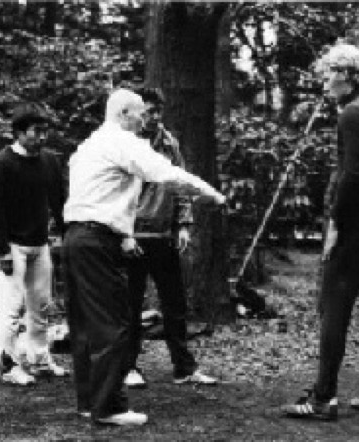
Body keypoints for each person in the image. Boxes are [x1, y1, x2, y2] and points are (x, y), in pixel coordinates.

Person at [62, 88, 226, 426]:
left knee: (85, 325)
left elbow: (96, 194)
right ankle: (109, 407)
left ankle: (89, 401)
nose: (145, 119)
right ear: (123, 113)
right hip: (96, 240)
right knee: (112, 322)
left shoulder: (90, 144)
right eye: (139, 113)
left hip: (77, 237)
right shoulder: (123, 141)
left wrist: (122, 234)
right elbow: (166, 173)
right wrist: (211, 194)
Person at [284, 43, 359, 421]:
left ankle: (323, 398)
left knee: (334, 306)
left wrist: (335, 223)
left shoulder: (353, 113)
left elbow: (354, 175)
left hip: (358, 226)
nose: (324, 83)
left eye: (328, 74)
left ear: (348, 75)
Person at [123, 88, 217, 389]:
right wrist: (122, 232)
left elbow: (180, 183)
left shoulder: (168, 143)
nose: (152, 118)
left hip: (163, 234)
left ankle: (184, 367)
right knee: (130, 304)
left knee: (175, 303)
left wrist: (184, 225)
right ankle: (128, 366)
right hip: (132, 235)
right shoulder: (124, 143)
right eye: (147, 111)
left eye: (157, 112)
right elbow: (114, 192)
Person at [0, 102, 69, 385]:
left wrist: (67, 234)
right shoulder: (1, 164)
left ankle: (40, 357)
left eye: (45, 131)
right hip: (12, 245)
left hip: (40, 243)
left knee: (41, 305)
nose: (42, 137)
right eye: (36, 132)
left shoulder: (49, 162)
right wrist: (2, 251)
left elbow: (59, 201)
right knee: (11, 307)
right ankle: (8, 365)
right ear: (19, 133)